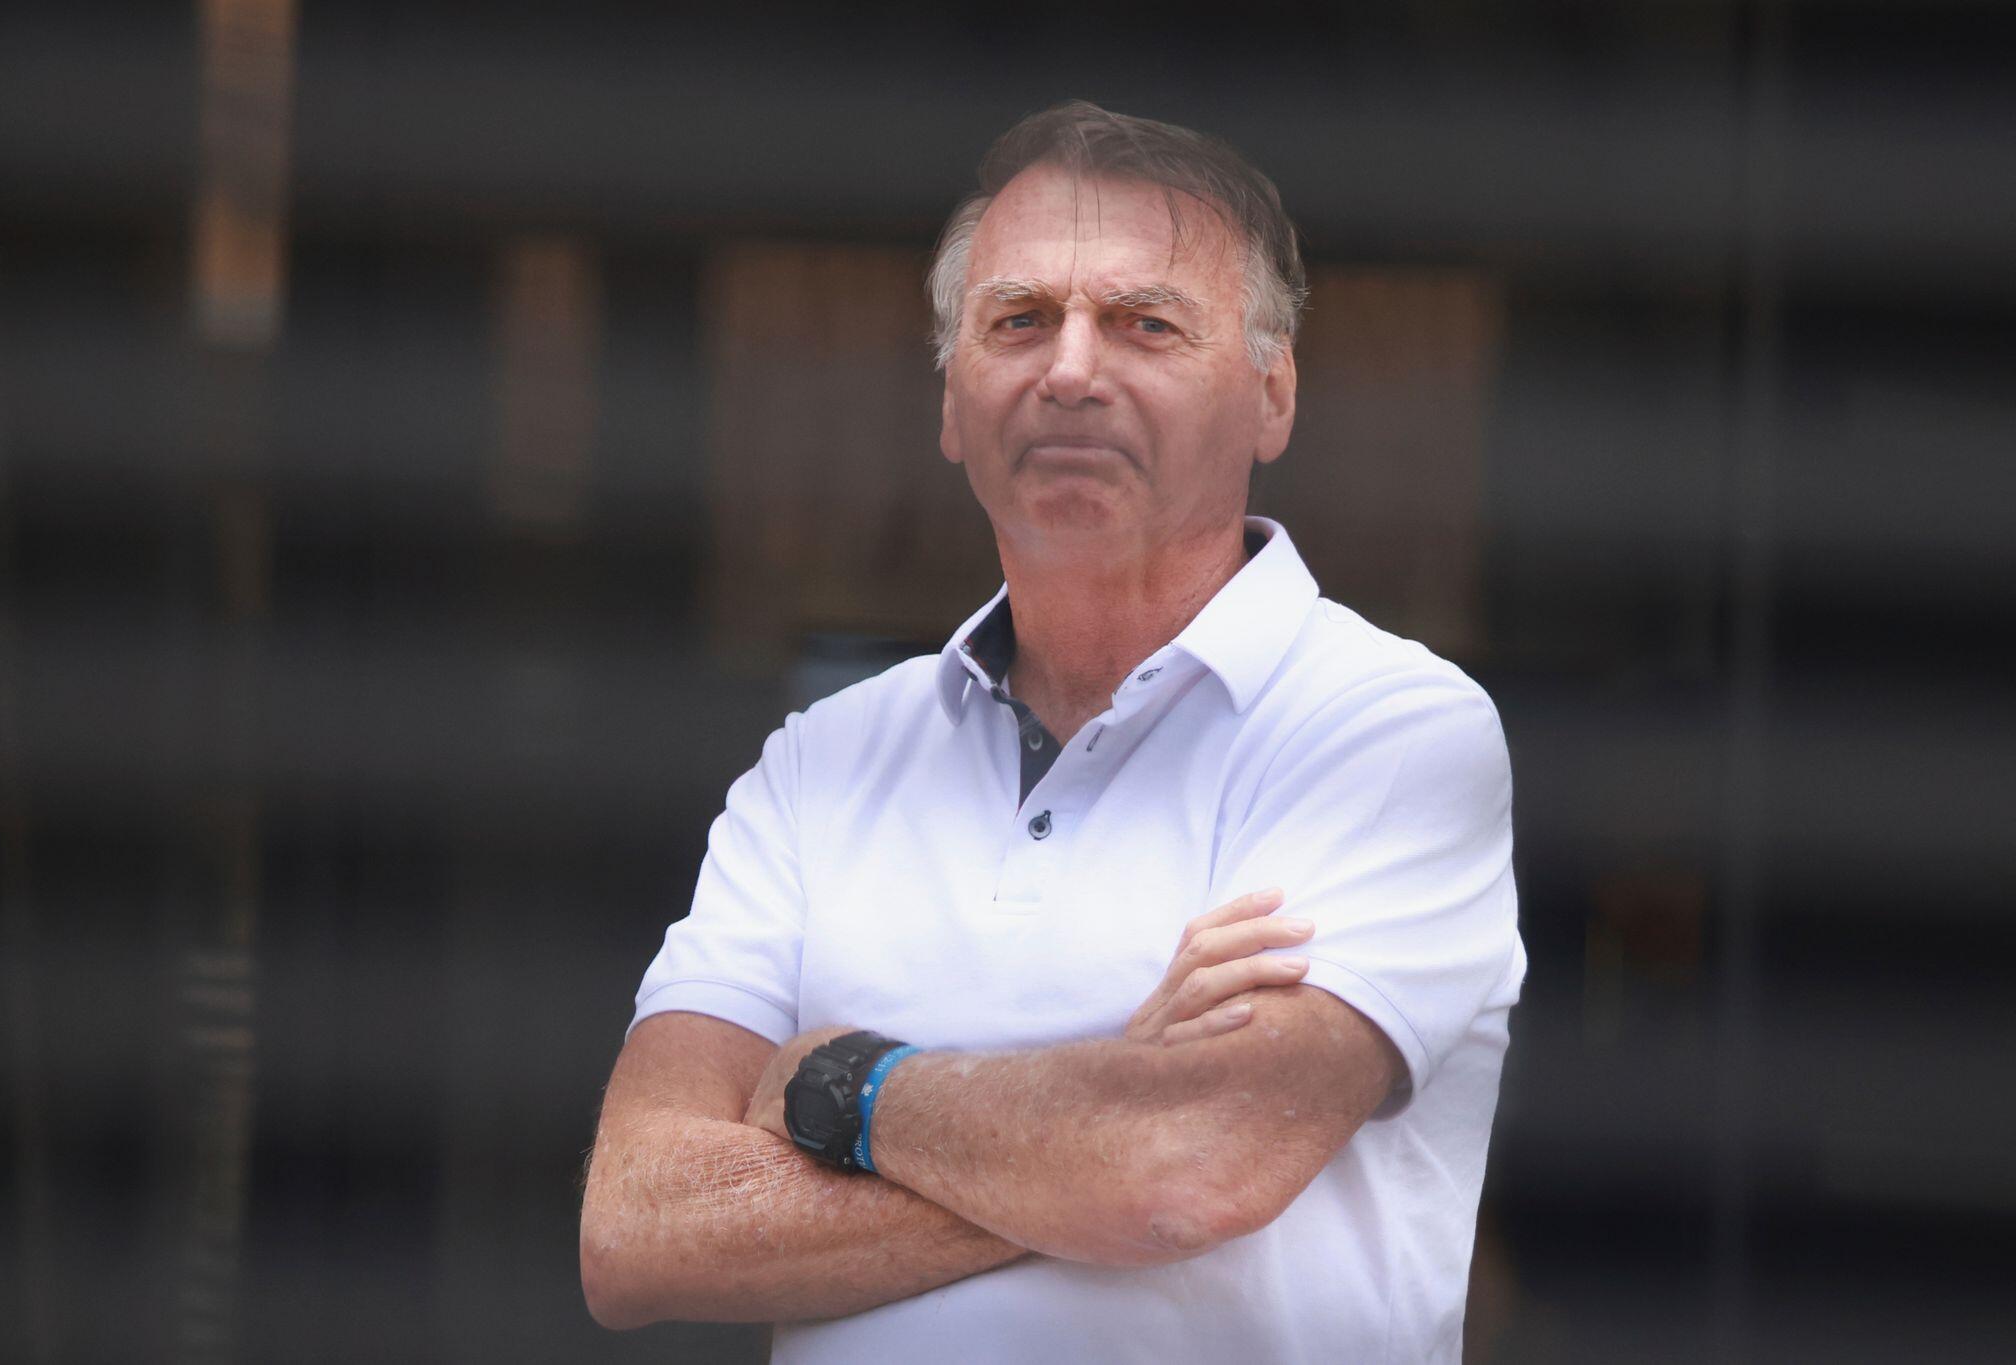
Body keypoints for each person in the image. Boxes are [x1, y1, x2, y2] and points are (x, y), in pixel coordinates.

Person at [580, 101, 1523, 1364]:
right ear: (951, 402)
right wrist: (1111, 1103)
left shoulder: (1385, 731)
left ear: (1271, 392)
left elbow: (1185, 1164)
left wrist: (841, 1086)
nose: (1070, 370)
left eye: (1145, 324)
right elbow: (635, 1231)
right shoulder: (820, 763)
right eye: (1018, 320)